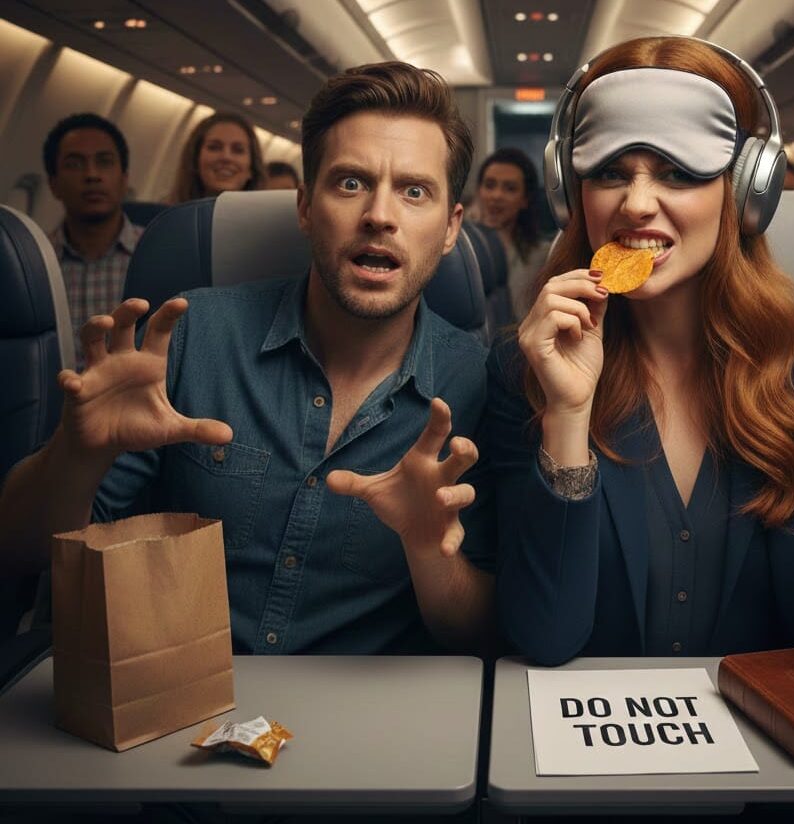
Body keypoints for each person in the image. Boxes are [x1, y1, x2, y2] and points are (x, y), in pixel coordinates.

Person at [488, 36, 794, 666]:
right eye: (608, 173)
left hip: (784, 747)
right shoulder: (524, 369)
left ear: (745, 193)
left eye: (679, 173)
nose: (636, 204)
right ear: (571, 194)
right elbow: (543, 638)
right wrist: (567, 416)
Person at [0, 62, 495, 656]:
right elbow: (24, 553)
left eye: (415, 191)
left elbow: (478, 632)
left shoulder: (479, 384)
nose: (380, 215)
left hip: (365, 717)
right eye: (350, 183)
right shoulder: (188, 335)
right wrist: (75, 454)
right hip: (178, 696)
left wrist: (425, 552)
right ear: (306, 207)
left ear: (449, 227)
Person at [44, 113, 144, 367]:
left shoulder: (156, 252)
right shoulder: (34, 263)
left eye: (105, 162)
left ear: (124, 179)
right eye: (75, 164)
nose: (92, 175)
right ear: (53, 184)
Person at [473, 147, 551, 319]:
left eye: (510, 188)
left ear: (525, 200)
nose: (497, 196)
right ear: (479, 191)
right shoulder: (459, 249)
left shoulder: (543, 255)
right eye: (490, 185)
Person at [167, 111, 266, 203]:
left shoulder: (268, 221)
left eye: (238, 150)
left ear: (251, 168)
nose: (226, 157)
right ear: (195, 159)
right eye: (214, 147)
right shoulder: (163, 218)